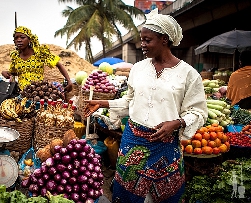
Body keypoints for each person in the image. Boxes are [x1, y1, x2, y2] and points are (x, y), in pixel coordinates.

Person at [84, 8, 207, 203]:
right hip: (133, 141)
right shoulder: (138, 69)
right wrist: (103, 102)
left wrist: (177, 123)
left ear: (164, 40)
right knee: (127, 192)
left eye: (147, 40)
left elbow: (198, 112)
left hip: (166, 145)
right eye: (141, 40)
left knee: (162, 195)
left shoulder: (188, 74)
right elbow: (130, 101)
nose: (142, 45)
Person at [2, 26, 72, 92]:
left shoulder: (39, 53)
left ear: (29, 39)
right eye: (16, 38)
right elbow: (14, 72)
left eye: (22, 37)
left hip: (38, 92)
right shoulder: (15, 57)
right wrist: (5, 73)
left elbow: (59, 65)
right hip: (22, 93)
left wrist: (69, 81)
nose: (19, 40)